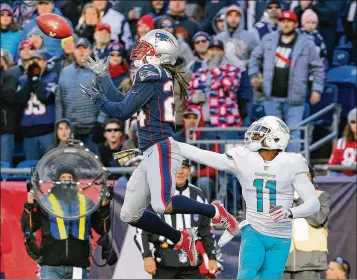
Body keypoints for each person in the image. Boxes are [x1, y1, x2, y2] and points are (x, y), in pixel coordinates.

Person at [80, 29, 238, 266]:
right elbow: (123, 103)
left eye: (146, 46)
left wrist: (98, 101)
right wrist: (104, 77)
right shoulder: (154, 75)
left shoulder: (151, 72)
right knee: (129, 214)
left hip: (161, 146)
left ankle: (215, 211)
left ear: (158, 53)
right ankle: (180, 238)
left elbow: (120, 112)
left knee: (162, 204)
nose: (140, 50)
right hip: (150, 151)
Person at [177, 116, 320, 279]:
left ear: (276, 138)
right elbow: (206, 156)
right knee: (246, 275)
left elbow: (313, 203)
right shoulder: (245, 157)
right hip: (255, 230)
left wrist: (290, 212)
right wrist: (175, 145)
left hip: (281, 237)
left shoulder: (293, 162)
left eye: (260, 133)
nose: (254, 136)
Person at [249, 10, 325, 152]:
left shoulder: (306, 43)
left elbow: (318, 67)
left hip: (295, 98)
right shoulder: (268, 39)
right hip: (271, 96)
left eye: (289, 21)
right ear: (279, 23)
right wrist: (254, 75)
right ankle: (275, 169)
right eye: (283, 21)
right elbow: (254, 58)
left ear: (296, 24)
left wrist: (316, 89)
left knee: (293, 133)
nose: (286, 24)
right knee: (272, 134)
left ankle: (293, 169)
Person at [21, 164, 111, 279]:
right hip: (51, 268)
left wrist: (104, 207)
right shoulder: (45, 202)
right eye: (63, 177)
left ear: (75, 180)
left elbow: (102, 228)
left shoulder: (86, 202)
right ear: (57, 180)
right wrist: (29, 205)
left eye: (70, 177)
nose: (67, 180)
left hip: (78, 266)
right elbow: (28, 227)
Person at [134, 159, 219, 279]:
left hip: (192, 263)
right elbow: (142, 230)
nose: (180, 171)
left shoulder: (198, 195)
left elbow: (206, 230)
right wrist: (146, 256)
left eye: (184, 167)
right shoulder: (156, 195)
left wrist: (212, 257)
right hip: (164, 262)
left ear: (189, 170)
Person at [56, 38, 104, 155]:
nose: (81, 51)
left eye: (85, 48)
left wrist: (100, 122)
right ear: (74, 51)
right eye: (78, 48)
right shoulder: (65, 71)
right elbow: (59, 100)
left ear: (90, 51)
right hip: (70, 130)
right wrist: (59, 124)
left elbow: (107, 98)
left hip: (91, 128)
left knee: (93, 165)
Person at [283, 165, 331, 279]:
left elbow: (318, 219)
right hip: (282, 261)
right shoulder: (280, 198)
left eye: (306, 176)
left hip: (309, 261)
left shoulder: (321, 196)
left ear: (312, 178)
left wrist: (300, 199)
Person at [16, 50, 58, 160]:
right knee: (31, 169)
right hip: (28, 132)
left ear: (44, 62)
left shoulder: (52, 77)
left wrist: (36, 79)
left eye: (38, 60)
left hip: (46, 131)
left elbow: (45, 98)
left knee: (49, 166)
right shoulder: (22, 79)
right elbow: (20, 101)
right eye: (32, 61)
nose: (34, 63)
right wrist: (30, 80)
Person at [174, 105, 220, 201]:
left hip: (204, 177)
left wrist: (196, 173)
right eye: (188, 117)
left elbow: (214, 168)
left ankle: (205, 213)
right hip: (181, 174)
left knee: (203, 182)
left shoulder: (211, 137)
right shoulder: (175, 138)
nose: (191, 121)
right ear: (184, 119)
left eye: (195, 117)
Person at [328, 108, 357, 176]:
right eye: (353, 121)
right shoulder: (341, 142)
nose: (356, 124)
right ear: (349, 124)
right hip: (344, 179)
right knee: (334, 175)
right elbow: (332, 165)